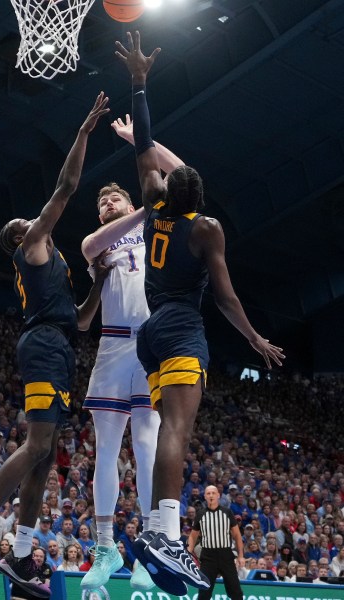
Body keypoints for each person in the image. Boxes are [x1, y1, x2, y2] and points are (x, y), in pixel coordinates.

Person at [116, 31, 284, 593]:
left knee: (169, 425)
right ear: (202, 199)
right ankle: (163, 533)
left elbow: (143, 146)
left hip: (149, 330)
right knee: (177, 429)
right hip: (183, 327)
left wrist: (139, 83)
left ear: (167, 188)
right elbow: (228, 297)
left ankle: (161, 534)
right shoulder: (206, 229)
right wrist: (256, 340)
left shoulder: (153, 203)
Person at [0, 93, 111, 599]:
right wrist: (83, 134)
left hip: (60, 344)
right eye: (22, 225)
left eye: (27, 221)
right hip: (41, 347)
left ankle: (20, 557)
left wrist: (99, 283)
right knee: (37, 445)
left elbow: (82, 322)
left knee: (45, 458)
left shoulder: (55, 266)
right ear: (20, 240)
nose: (30, 223)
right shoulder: (33, 247)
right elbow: (65, 186)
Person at [80, 139, 184, 593]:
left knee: (146, 448)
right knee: (105, 449)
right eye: (102, 201)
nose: (106, 203)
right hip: (112, 346)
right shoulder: (95, 245)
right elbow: (94, 242)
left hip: (149, 345)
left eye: (114, 197)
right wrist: (142, 206)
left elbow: (181, 174)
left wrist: (139, 142)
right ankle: (105, 548)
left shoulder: (155, 228)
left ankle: (144, 548)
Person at [188, 486, 244, 600]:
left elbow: (237, 535)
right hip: (208, 557)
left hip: (226, 556)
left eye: (213, 493)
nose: (211, 495)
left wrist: (241, 556)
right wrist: (188, 552)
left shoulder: (227, 512)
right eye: (208, 493)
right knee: (204, 592)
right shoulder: (200, 514)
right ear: (205, 497)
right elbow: (193, 537)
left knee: (236, 591)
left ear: (218, 495)